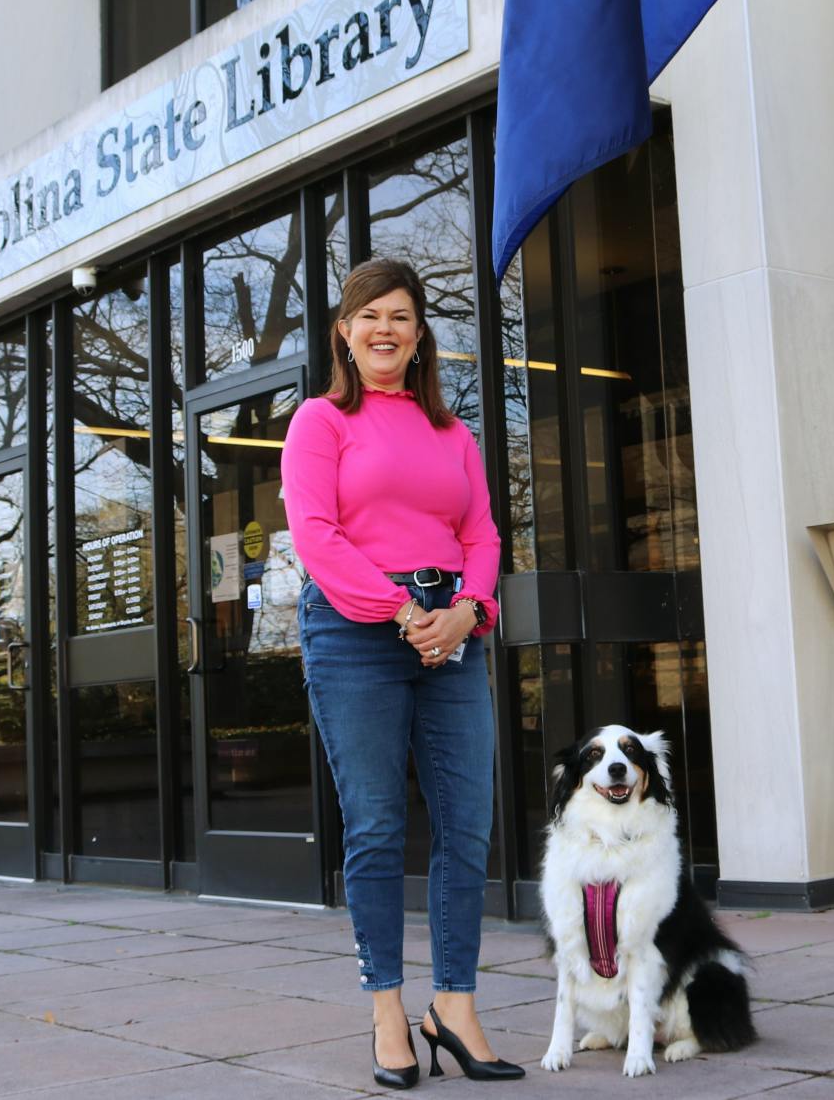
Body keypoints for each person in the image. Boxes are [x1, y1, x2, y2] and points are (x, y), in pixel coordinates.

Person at [282, 258, 524, 1088]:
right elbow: (316, 534)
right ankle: (388, 1011)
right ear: (345, 332)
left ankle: (452, 1006)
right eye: (370, 315)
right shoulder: (320, 421)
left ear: (421, 337)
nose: (386, 329)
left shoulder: (453, 434)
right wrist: (399, 611)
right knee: (379, 827)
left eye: (402, 318)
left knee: (466, 825)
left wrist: (469, 612)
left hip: (451, 635)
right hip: (356, 633)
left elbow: (484, 535)